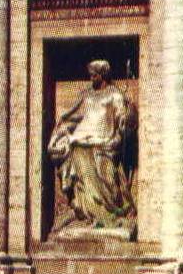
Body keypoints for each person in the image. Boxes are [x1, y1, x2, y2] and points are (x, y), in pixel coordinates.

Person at [47, 60, 136, 235]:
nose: (91, 78)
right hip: (80, 140)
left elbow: (122, 121)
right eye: (90, 75)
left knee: (106, 175)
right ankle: (88, 214)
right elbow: (73, 116)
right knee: (80, 172)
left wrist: (125, 122)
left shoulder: (115, 95)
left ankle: (106, 214)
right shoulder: (86, 95)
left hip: (104, 142)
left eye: (94, 75)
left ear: (103, 75)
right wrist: (62, 130)